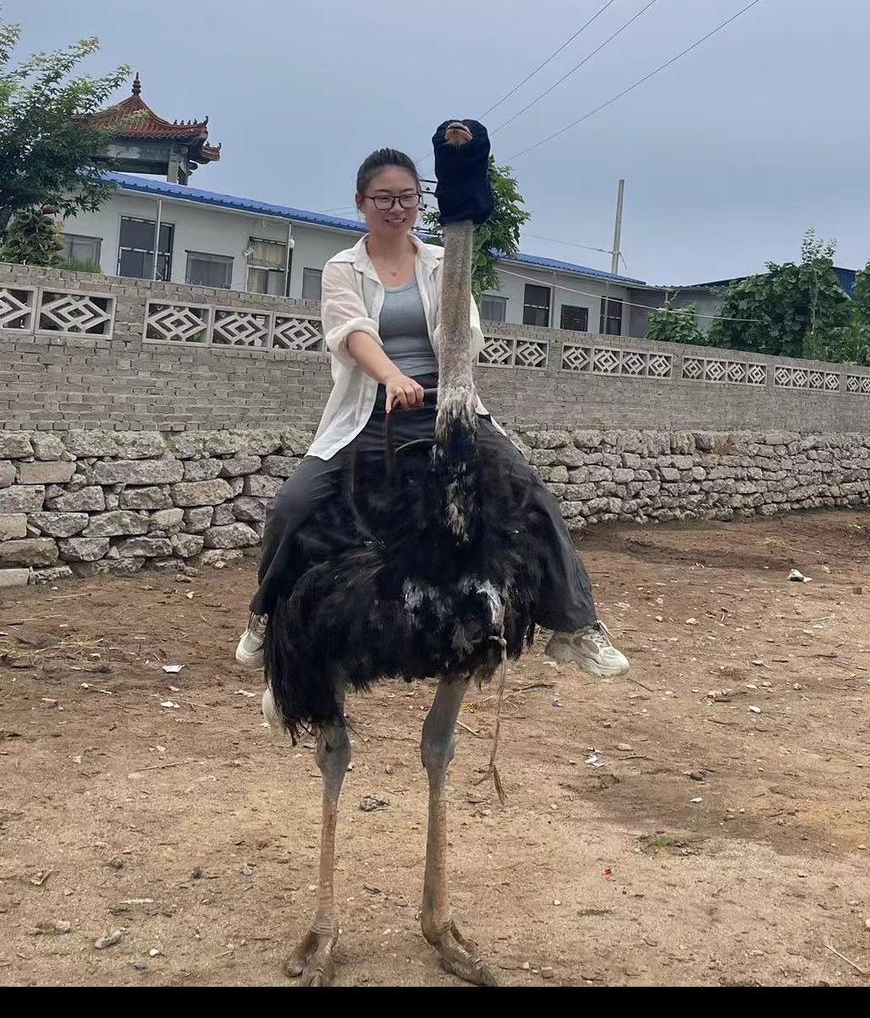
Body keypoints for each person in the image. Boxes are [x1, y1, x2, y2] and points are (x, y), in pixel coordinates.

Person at [235, 147, 629, 678]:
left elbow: (459, 330)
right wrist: (393, 376)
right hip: (371, 412)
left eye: (407, 198)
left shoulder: (444, 262)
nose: (396, 208)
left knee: (530, 492)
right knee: (294, 503)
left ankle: (576, 627)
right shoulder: (341, 268)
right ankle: (264, 614)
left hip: (452, 406)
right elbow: (351, 333)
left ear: (421, 202)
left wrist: (451, 368)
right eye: (384, 199)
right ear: (361, 203)